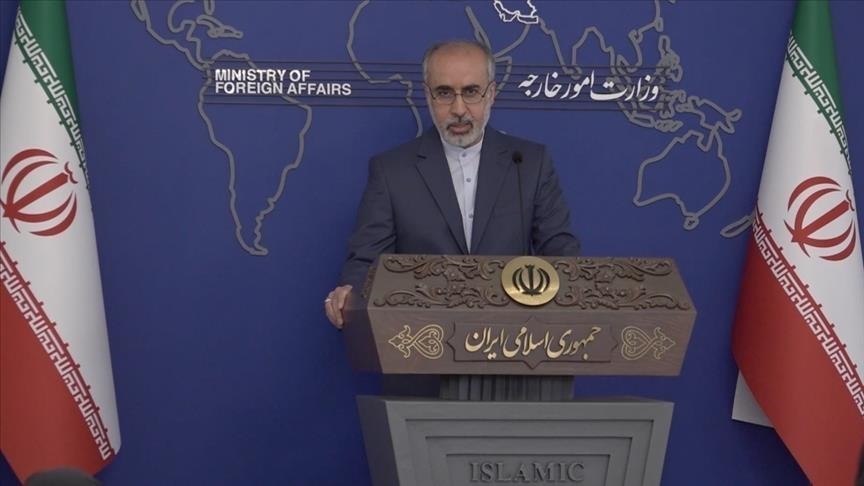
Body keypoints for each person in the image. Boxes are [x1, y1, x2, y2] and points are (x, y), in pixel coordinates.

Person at [324, 40, 580, 328]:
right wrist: (351, 296)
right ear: (427, 95)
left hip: (511, 341)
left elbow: (561, 254)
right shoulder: (390, 170)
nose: (459, 108)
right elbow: (367, 264)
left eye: (471, 92)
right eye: (444, 93)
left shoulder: (530, 163)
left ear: (491, 93)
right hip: (421, 339)